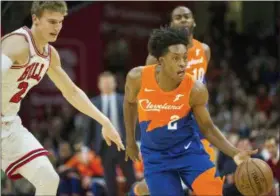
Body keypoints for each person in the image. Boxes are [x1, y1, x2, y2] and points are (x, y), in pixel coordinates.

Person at [1, 2, 124, 195]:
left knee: (49, 179)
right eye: (51, 21)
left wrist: (104, 121)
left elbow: (72, 92)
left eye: (60, 22)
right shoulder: (17, 43)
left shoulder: (50, 55)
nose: (57, 27)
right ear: (36, 19)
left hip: (9, 125)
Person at [124, 26, 257, 196]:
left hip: (189, 152)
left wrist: (235, 153)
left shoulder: (195, 89)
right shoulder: (137, 78)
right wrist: (130, 141)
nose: (182, 63)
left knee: (214, 193)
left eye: (185, 58)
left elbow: (207, 128)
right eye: (175, 58)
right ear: (161, 61)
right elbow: (129, 103)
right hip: (157, 157)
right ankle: (139, 189)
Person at [132, 6, 213, 195]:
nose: (183, 20)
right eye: (178, 17)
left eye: (187, 16)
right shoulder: (155, 58)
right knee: (164, 184)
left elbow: (201, 86)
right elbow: (148, 91)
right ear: (171, 24)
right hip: (170, 125)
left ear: (194, 22)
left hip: (197, 124)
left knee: (205, 183)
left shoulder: (205, 50)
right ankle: (137, 191)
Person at [83, 72, 136, 196]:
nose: (107, 85)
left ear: (115, 83)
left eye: (109, 82)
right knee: (109, 179)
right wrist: (85, 148)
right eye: (104, 82)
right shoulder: (93, 103)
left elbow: (134, 122)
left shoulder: (124, 99)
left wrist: (137, 141)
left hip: (123, 144)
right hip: (104, 146)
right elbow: (88, 127)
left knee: (130, 177)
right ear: (99, 85)